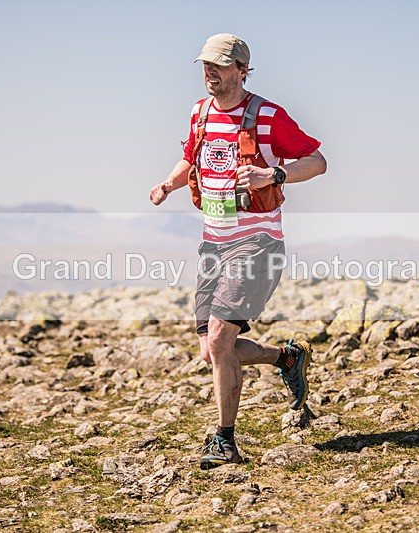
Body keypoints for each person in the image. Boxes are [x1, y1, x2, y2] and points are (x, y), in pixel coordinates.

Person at [149, 33, 327, 469]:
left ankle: (224, 440)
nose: (210, 71)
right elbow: (190, 159)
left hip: (257, 243)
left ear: (242, 70)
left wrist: (274, 174)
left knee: (219, 338)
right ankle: (286, 358)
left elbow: (317, 162)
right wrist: (169, 184)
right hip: (214, 243)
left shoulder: (267, 115)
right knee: (211, 350)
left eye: (220, 64)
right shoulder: (200, 113)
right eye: (205, 64)